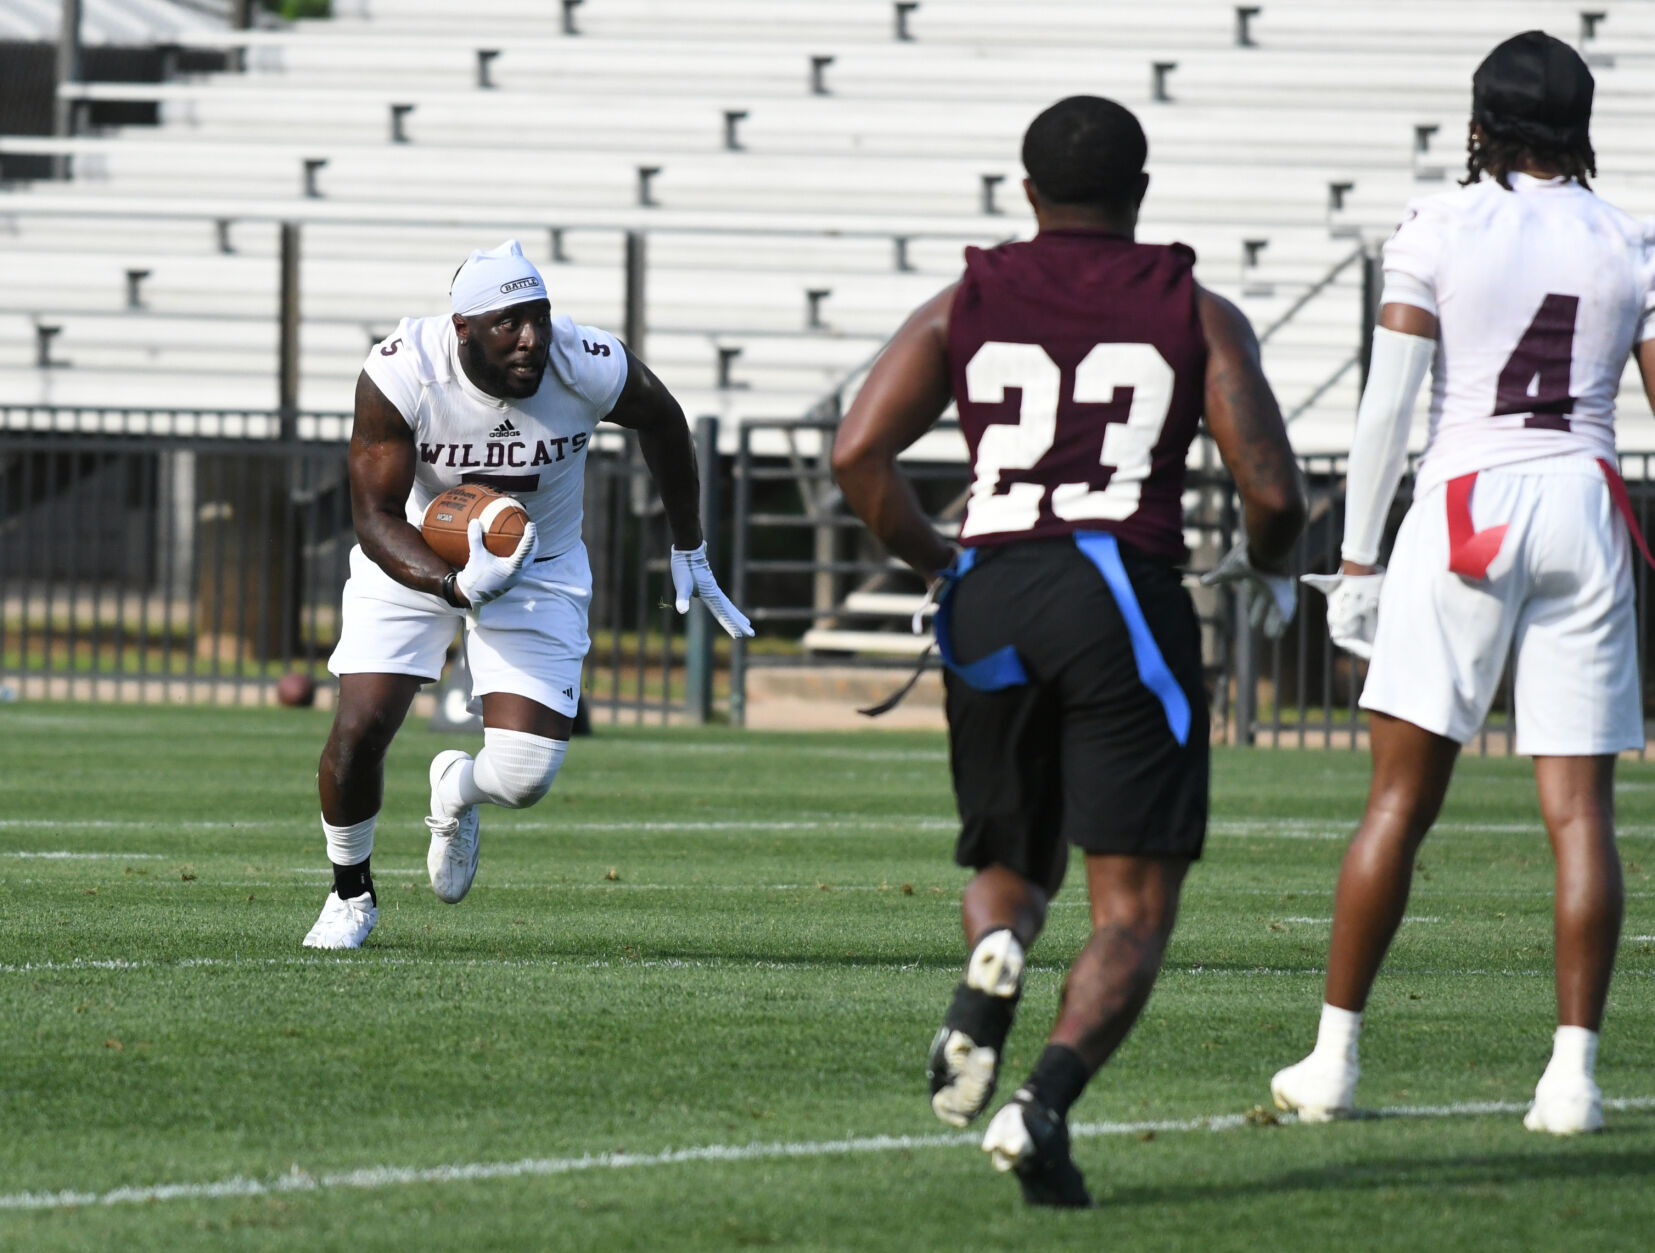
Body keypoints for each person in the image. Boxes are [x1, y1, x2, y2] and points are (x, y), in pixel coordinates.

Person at [832, 96, 1306, 1207]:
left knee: (1008, 860)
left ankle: (994, 949)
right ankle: (1039, 1102)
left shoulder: (969, 298)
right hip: (1117, 596)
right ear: (1139, 193)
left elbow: (860, 451)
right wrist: (1264, 559)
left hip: (993, 591)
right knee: (1131, 908)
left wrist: (940, 559)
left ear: (1025, 191)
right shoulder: (1191, 305)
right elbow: (1272, 490)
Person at [1274, 31, 1655, 1136]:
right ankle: (1570, 1077)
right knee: (1578, 810)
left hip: (1463, 506)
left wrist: (1355, 557)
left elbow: (1386, 407)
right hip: (1581, 501)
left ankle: (1334, 1055)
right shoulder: (1628, 235)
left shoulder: (1437, 223)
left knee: (1397, 799)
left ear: (1480, 120)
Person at [302, 240, 752, 950]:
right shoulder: (404, 371)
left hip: (537, 562)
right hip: (418, 552)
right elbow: (374, 516)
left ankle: (454, 789)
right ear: (462, 328)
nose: (531, 340)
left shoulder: (584, 361)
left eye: (538, 318)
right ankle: (350, 893)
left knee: (524, 777)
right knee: (358, 732)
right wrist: (450, 580)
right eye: (509, 324)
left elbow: (664, 419)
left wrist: (688, 542)